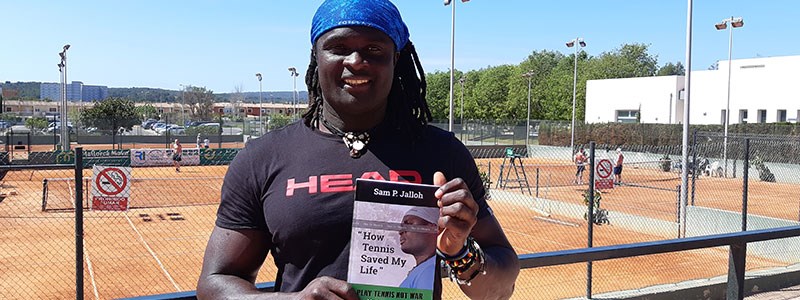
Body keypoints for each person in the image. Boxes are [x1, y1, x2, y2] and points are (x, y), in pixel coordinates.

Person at [197, 1, 519, 299]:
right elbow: (214, 284)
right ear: (316, 57)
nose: (356, 62)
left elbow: (500, 289)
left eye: (373, 49)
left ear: (396, 60)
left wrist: (458, 251)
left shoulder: (442, 153)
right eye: (338, 48)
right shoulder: (263, 158)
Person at [398, 207, 438, 290]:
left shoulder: (429, 270)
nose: (400, 232)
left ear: (431, 228)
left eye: (408, 224)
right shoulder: (425, 268)